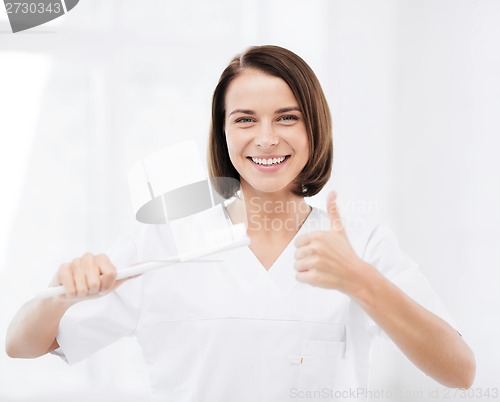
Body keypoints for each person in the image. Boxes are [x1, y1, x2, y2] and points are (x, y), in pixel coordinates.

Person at [6, 45, 475, 401]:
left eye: (287, 117)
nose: (266, 139)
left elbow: (460, 370)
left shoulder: (360, 243)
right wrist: (62, 292)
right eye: (245, 119)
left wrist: (362, 281)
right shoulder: (165, 242)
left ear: (315, 127)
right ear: (224, 130)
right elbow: (23, 344)